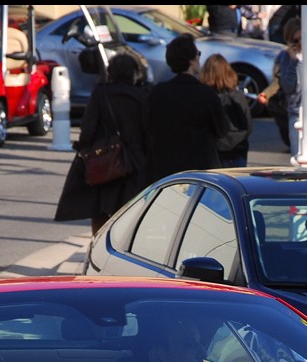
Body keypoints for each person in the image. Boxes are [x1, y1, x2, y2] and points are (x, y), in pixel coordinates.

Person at [54, 52, 150, 235]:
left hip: (105, 160)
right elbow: (147, 133)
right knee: (129, 212)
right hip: (134, 163)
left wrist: (82, 146)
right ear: (134, 73)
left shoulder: (101, 93)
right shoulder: (142, 96)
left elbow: (89, 126)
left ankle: (98, 247)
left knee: (99, 210)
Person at [145, 35, 230, 181]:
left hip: (166, 172)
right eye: (198, 54)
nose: (199, 59)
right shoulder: (206, 94)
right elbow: (222, 129)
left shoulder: (158, 93)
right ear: (191, 60)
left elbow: (148, 127)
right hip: (201, 172)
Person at [258, 17, 302, 160]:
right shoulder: (285, 57)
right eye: (295, 41)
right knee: (297, 156)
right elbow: (285, 84)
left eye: (302, 39)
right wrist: (267, 93)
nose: (300, 44)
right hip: (295, 110)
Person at [201, 53, 253, 168]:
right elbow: (248, 126)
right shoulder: (238, 97)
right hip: (238, 150)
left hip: (215, 152)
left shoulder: (205, 97)